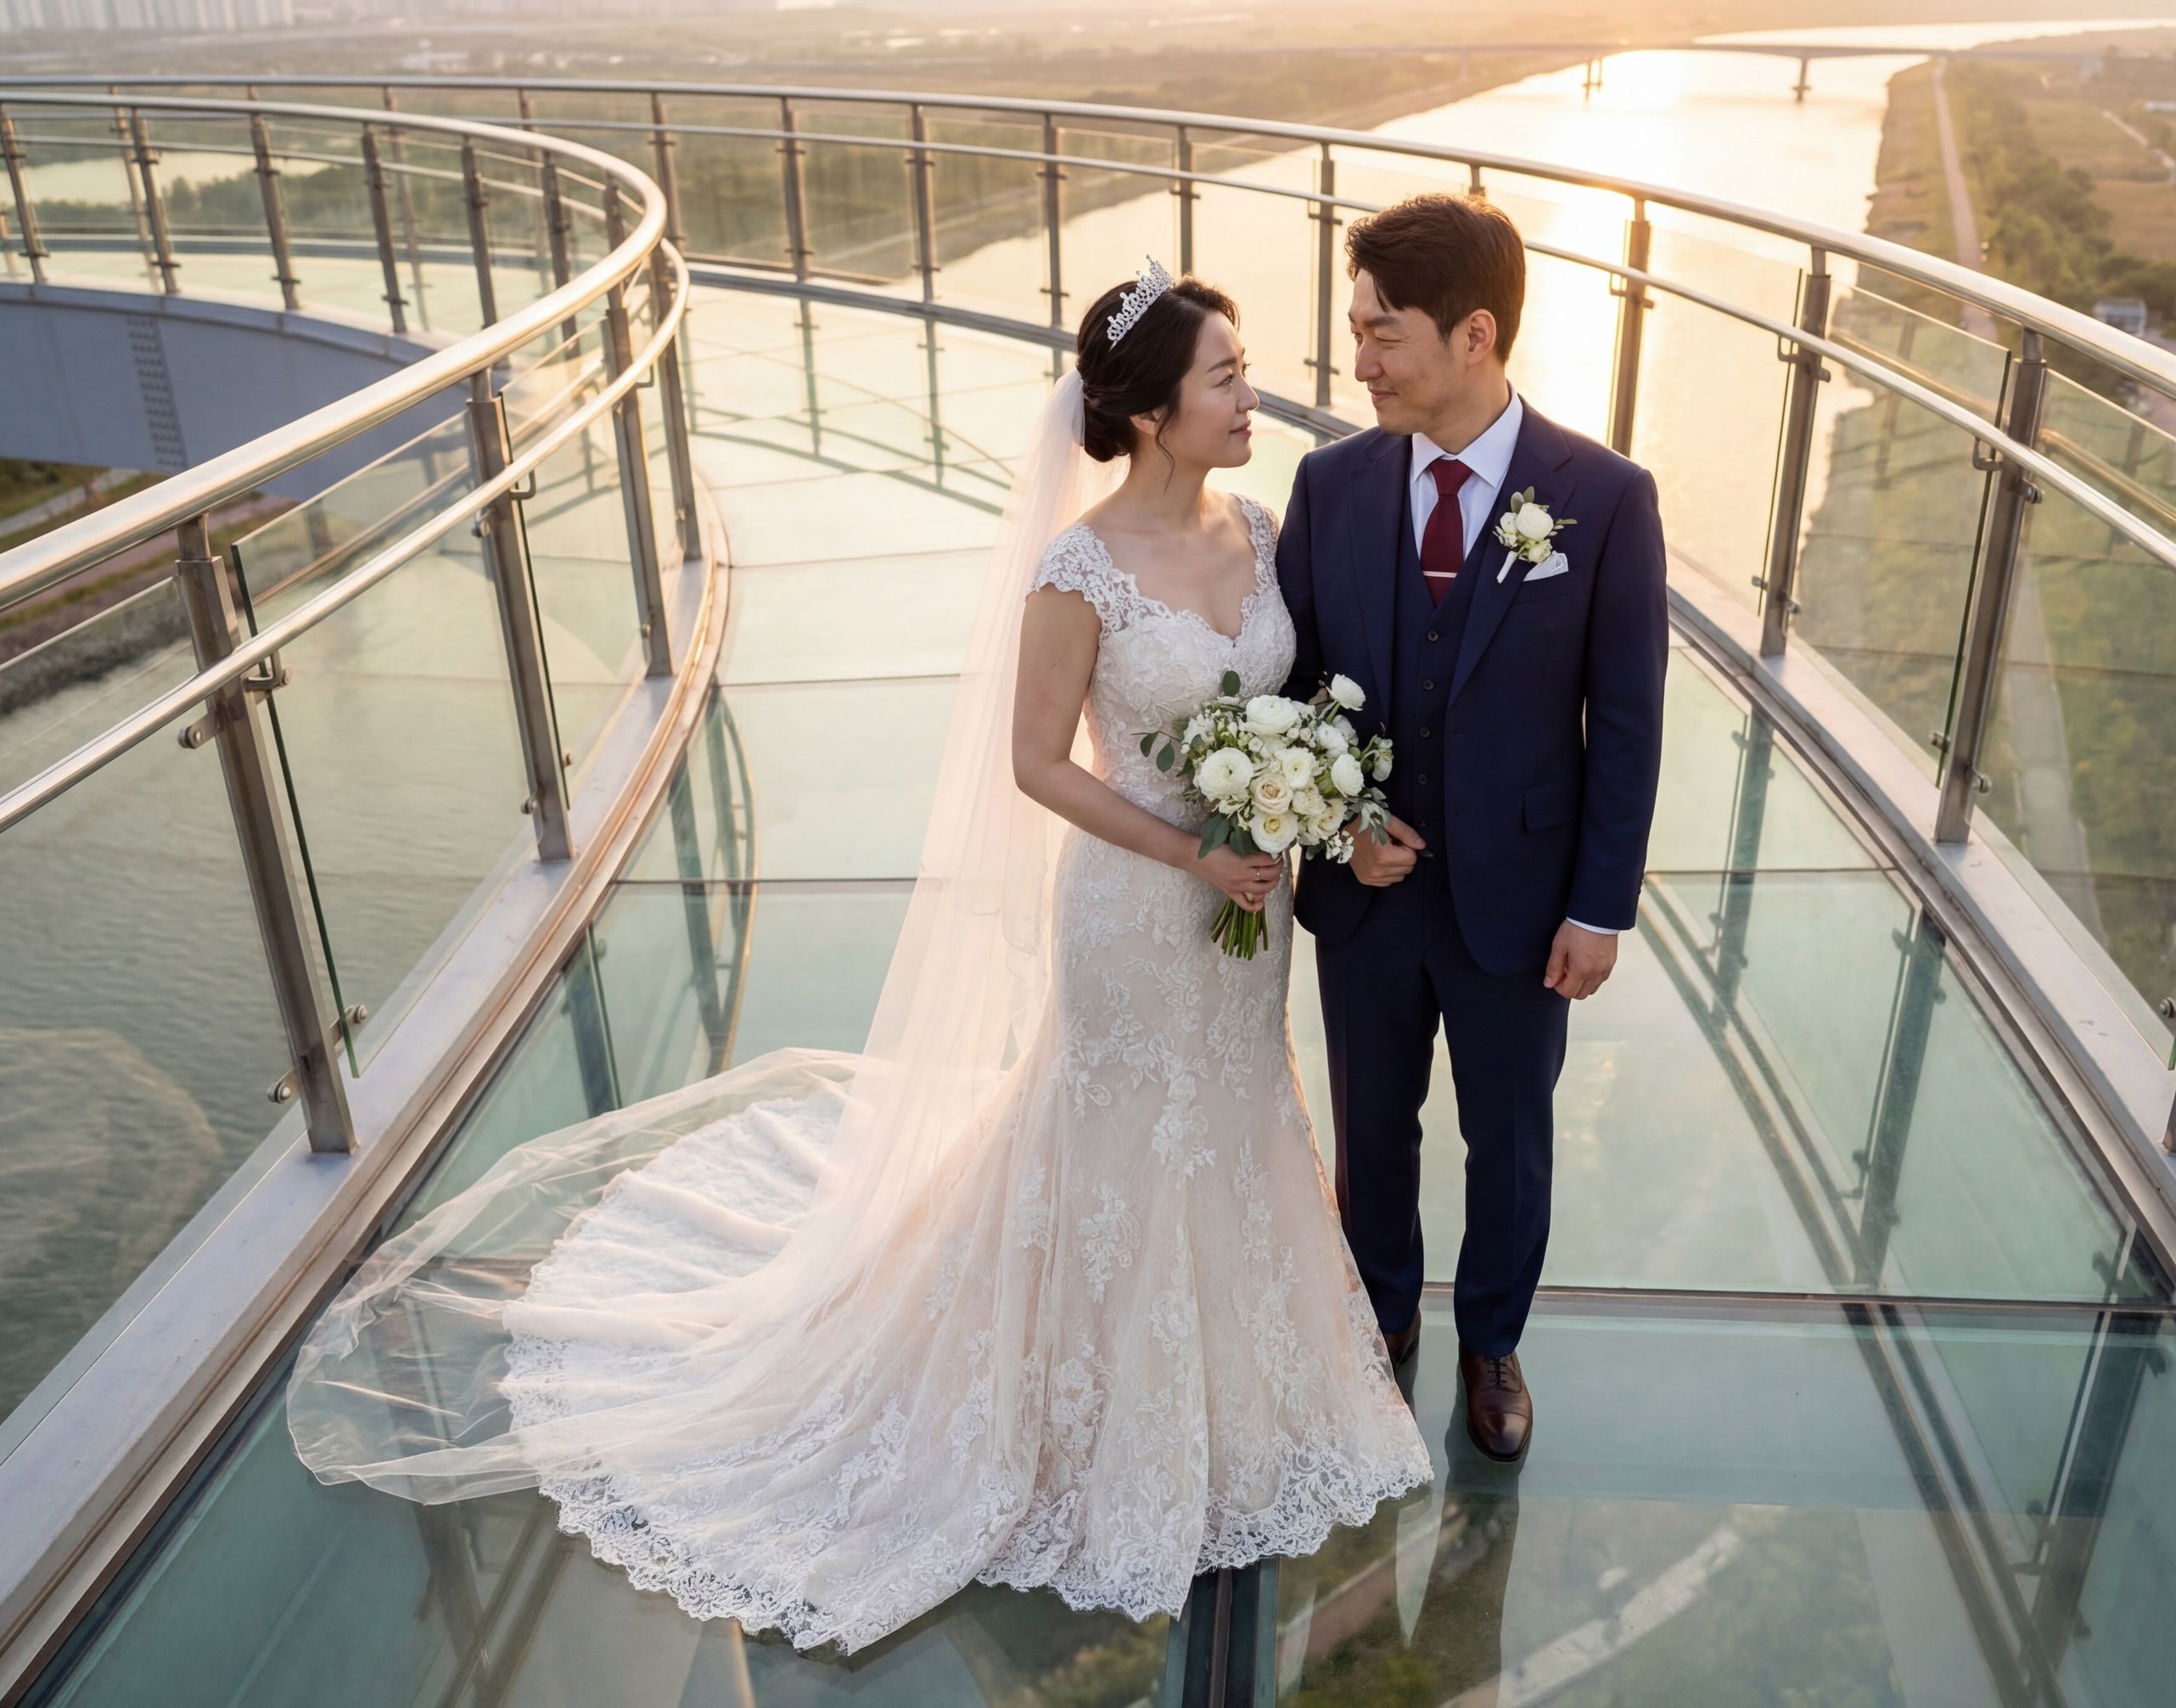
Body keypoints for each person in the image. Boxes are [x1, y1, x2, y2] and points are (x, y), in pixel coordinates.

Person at [281, 262, 1433, 1654]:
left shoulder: (1259, 527)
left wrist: (1313, 810)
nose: (1256, 395)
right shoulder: (1078, 568)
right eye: (1226, 377)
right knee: (1122, 1137)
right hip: (1138, 913)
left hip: (1244, 928)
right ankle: (1088, 1425)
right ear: (1145, 413)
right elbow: (1032, 762)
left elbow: (1292, 709)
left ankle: (1246, 1400)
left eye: (1245, 370)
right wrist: (1192, 852)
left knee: (1240, 1121)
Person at [1276, 192, 1669, 1464]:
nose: (1360, 359)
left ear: (1477, 335)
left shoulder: (1605, 497)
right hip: (1369, 897)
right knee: (1370, 1124)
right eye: (1356, 327)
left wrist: (1601, 903)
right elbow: (1293, 691)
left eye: (1384, 333)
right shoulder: (1328, 484)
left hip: (1525, 898)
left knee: (1508, 1138)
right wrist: (1341, 828)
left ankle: (1491, 1341)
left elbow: (1629, 718)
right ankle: (1380, 1320)